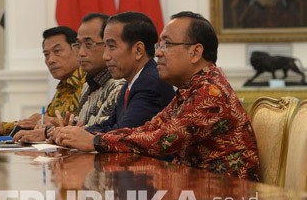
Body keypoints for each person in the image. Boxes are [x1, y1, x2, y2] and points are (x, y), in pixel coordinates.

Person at [54, 12, 260, 181]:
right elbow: (150, 128)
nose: (158, 53)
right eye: (160, 45)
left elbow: (161, 140)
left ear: (196, 52)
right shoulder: (191, 89)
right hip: (195, 192)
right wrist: (90, 138)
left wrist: (96, 141)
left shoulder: (211, 93)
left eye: (167, 45)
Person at [39, 12, 174, 145]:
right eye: (105, 46)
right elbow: (109, 124)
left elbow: (124, 134)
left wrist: (85, 137)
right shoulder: (132, 81)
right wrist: (71, 133)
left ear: (138, 50)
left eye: (112, 46)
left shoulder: (150, 82)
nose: (106, 56)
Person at [0, 26, 86, 138]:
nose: (50, 60)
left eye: (57, 51)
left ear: (76, 49)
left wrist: (47, 121)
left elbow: (88, 125)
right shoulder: (63, 86)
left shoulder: (88, 82)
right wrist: (3, 127)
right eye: (46, 54)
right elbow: (42, 123)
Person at [71, 13, 124, 127]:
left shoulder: (119, 85)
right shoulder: (88, 84)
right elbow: (80, 123)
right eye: (78, 45)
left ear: (107, 44)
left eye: (89, 44)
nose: (81, 53)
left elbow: (104, 132)